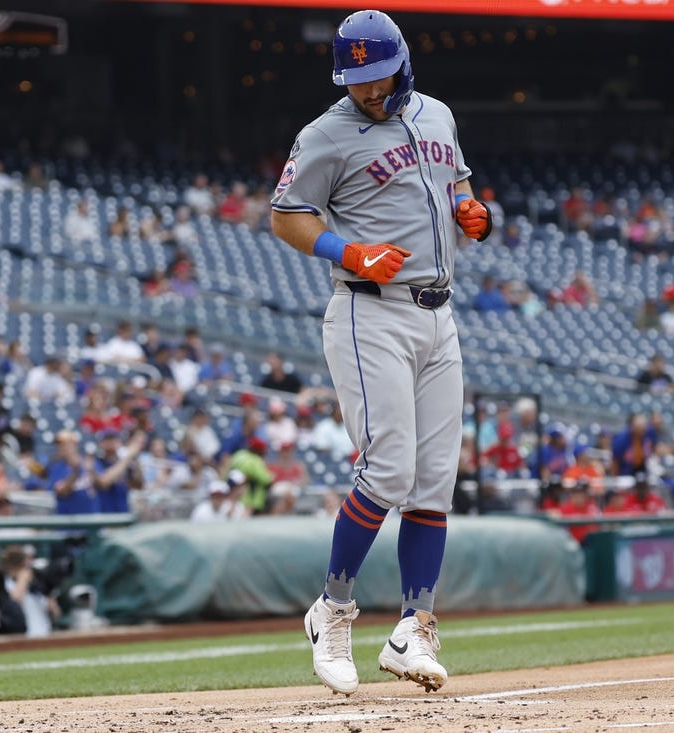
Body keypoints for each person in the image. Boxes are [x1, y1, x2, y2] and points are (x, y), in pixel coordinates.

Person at [270, 10, 493, 695]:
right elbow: (285, 213)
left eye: (378, 75)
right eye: (356, 79)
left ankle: (411, 626)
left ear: (402, 60)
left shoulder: (436, 115)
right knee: (387, 468)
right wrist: (346, 249)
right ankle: (331, 608)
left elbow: (454, 183)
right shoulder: (325, 134)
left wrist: (470, 206)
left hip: (438, 313)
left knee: (432, 483)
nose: (369, 89)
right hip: (370, 311)